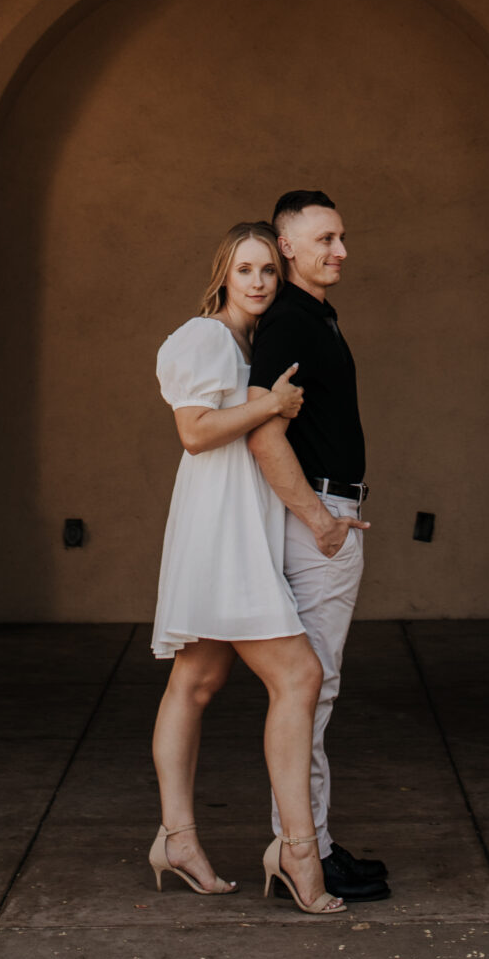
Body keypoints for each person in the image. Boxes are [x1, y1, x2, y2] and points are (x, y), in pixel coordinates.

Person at [151, 222, 346, 915]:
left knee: (197, 680)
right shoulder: (204, 338)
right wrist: (268, 403)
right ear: (223, 276)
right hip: (220, 530)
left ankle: (177, 840)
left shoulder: (248, 344)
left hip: (241, 524)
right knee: (298, 674)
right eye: (246, 270)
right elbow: (194, 433)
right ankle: (297, 851)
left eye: (268, 270)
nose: (260, 282)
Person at [248, 191, 389, 904]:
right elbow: (262, 427)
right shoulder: (287, 325)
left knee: (312, 687)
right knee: (310, 686)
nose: (339, 250)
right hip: (317, 518)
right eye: (325, 238)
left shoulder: (313, 317)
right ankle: (304, 851)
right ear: (287, 246)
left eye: (341, 236)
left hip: (327, 511)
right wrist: (317, 518)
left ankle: (310, 842)